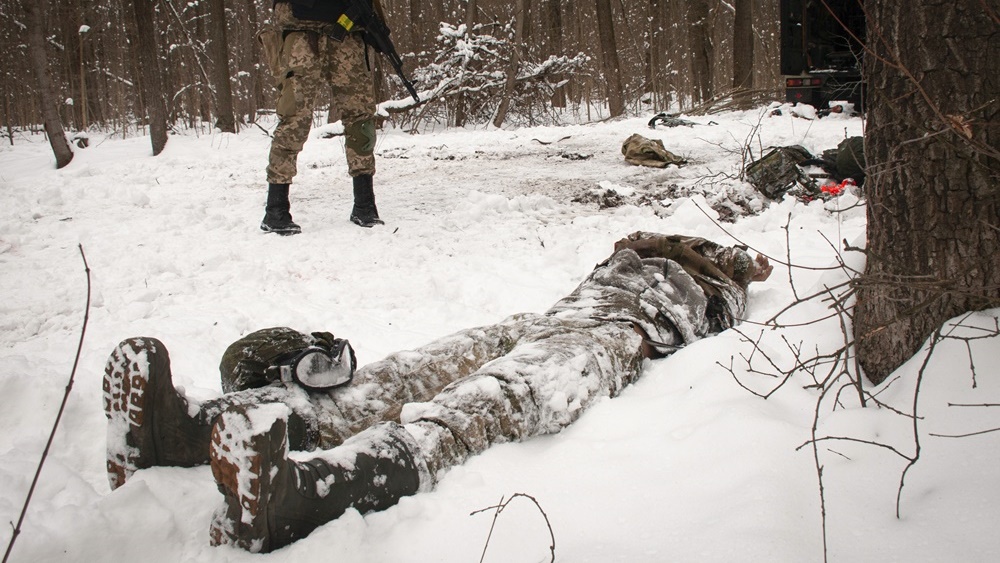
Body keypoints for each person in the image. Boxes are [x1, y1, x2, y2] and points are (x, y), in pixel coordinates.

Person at [102, 232, 772, 552]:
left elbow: (748, 268)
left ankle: (311, 494)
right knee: (410, 370)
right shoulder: (651, 246)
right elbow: (632, 243)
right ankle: (188, 430)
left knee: (498, 396)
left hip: (620, 334)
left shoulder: (722, 285)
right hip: (554, 315)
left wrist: (727, 263)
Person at [258, 0, 388, 235]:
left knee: (360, 118)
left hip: (348, 36)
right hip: (301, 35)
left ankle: (365, 204)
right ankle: (275, 209)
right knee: (294, 119)